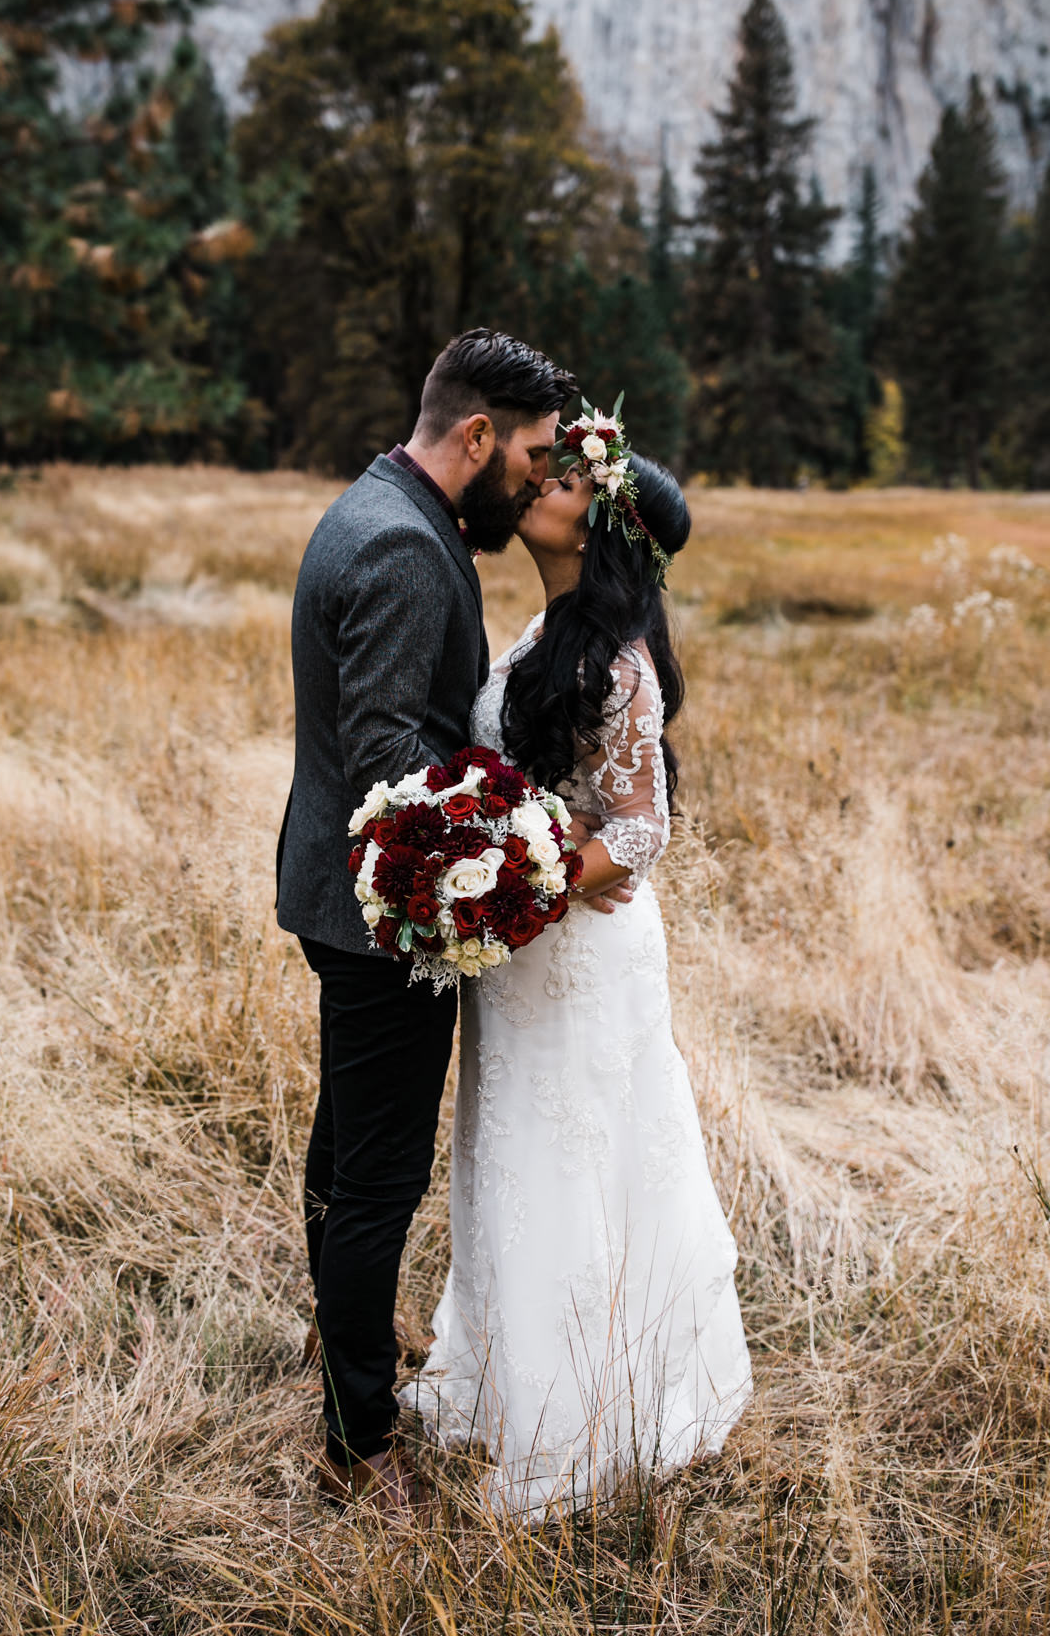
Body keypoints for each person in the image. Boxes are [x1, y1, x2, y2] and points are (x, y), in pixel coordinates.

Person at [277, 327, 605, 1516]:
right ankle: (360, 1442)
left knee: (341, 1155)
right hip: (380, 916)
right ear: (475, 435)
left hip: (334, 890)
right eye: (525, 453)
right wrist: (512, 827)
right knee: (375, 1180)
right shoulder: (410, 552)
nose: (531, 478)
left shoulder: (370, 502)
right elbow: (386, 757)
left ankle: (338, 1343)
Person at [402, 407, 753, 1516]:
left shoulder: (620, 663)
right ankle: (499, 1373)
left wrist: (527, 879)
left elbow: (642, 830)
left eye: (563, 483)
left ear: (603, 532)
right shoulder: (538, 638)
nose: (539, 483)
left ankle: (576, 1419)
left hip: (580, 953)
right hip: (517, 953)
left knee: (574, 1160)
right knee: (506, 1150)